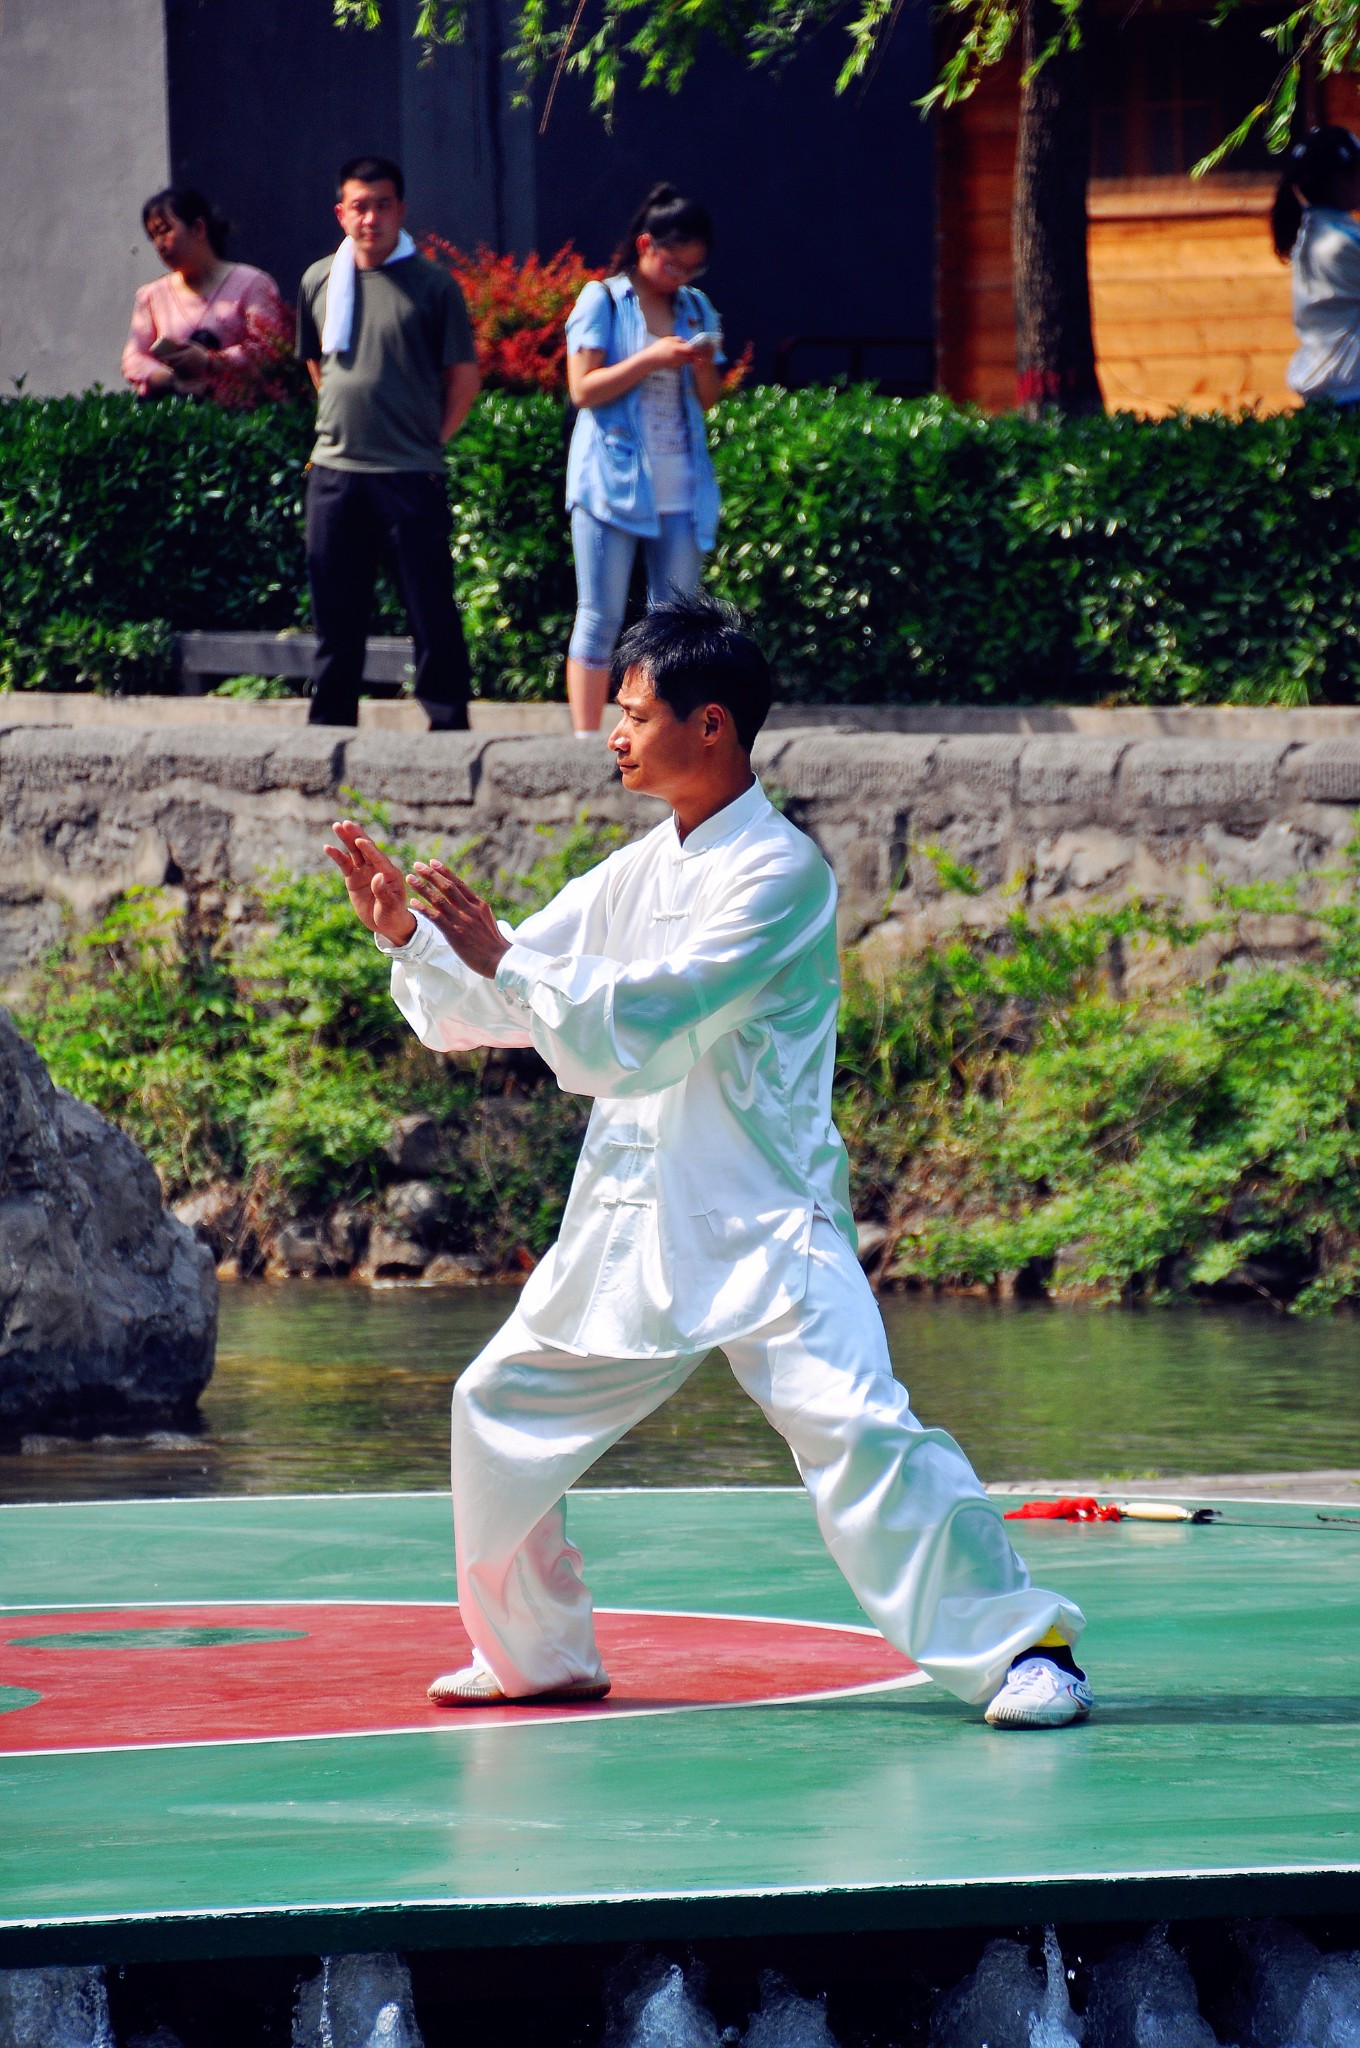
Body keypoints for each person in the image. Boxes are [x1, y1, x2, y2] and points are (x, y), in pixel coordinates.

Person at [324, 592, 1094, 1732]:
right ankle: (535, 1654)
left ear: (713, 725)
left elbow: (650, 1018)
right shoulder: (636, 871)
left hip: (760, 1218)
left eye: (634, 712)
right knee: (494, 1409)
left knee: (860, 1428)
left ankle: (1024, 1647)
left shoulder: (779, 874)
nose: (614, 733)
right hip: (632, 1220)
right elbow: (513, 995)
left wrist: (505, 960)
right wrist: (413, 939)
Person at [296, 154, 481, 729]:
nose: (370, 218)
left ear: (400, 209)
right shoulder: (318, 278)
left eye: (382, 205)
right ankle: (330, 726)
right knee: (335, 609)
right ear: (341, 212)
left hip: (408, 472)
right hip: (334, 470)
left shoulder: (432, 286)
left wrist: (429, 440)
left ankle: (448, 723)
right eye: (359, 206)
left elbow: (464, 378)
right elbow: (314, 360)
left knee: (429, 607)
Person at [562, 183, 727, 739]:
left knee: (674, 623)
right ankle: (586, 740)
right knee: (600, 614)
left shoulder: (696, 307)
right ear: (645, 245)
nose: (681, 276)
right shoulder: (603, 300)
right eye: (674, 262)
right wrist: (652, 356)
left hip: (680, 482)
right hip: (610, 480)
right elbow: (583, 388)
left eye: (693, 267)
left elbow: (707, 399)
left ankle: (661, 737)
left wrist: (701, 363)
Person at [121, 187, 284, 400]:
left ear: (198, 228)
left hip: (244, 414)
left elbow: (269, 349)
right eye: (153, 236)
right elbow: (133, 358)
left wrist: (211, 361)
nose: (159, 244)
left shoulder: (253, 283)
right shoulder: (151, 296)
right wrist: (171, 378)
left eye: (165, 230)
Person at [1273, 126, 1360, 406]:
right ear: (1342, 181)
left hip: (1332, 390)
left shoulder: (1314, 231)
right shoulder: (1338, 243)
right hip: (1350, 392)